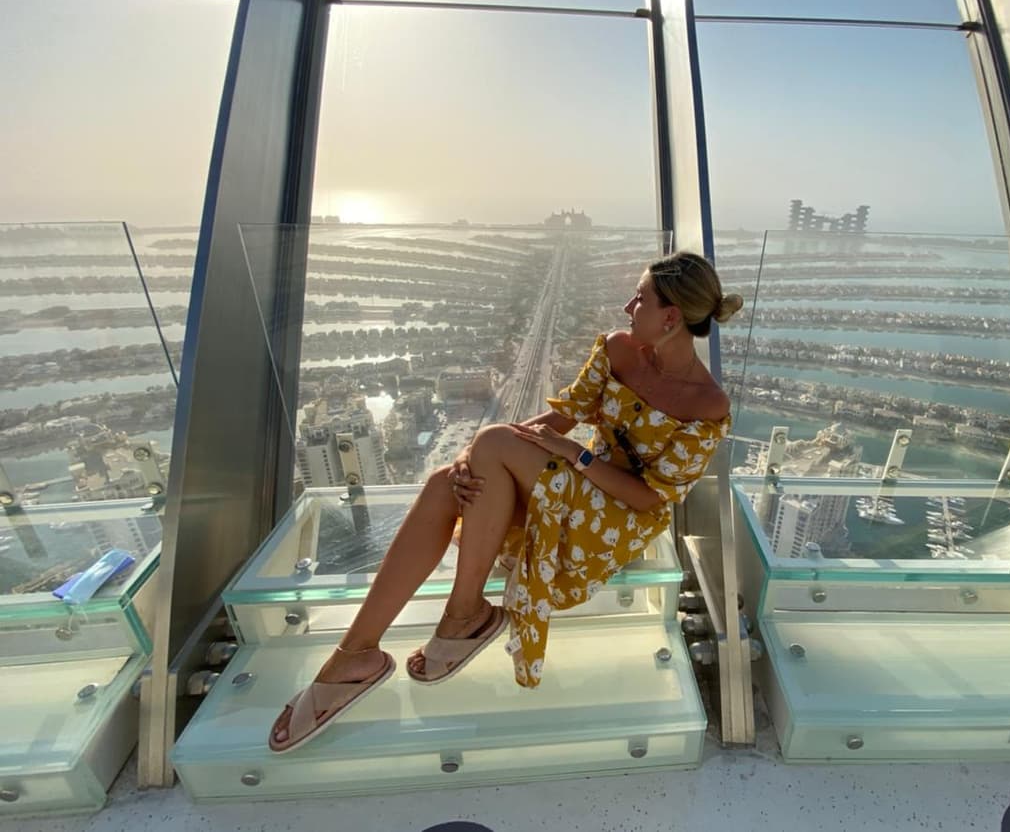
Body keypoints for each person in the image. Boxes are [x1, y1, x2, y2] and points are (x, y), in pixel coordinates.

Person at [269, 250, 743, 752]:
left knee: (491, 443)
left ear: (671, 318)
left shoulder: (706, 404)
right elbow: (557, 422)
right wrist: (472, 459)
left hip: (617, 518)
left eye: (641, 298)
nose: (629, 306)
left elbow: (651, 498)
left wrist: (576, 456)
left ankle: (464, 616)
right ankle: (356, 653)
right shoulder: (616, 348)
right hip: (574, 486)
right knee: (443, 482)